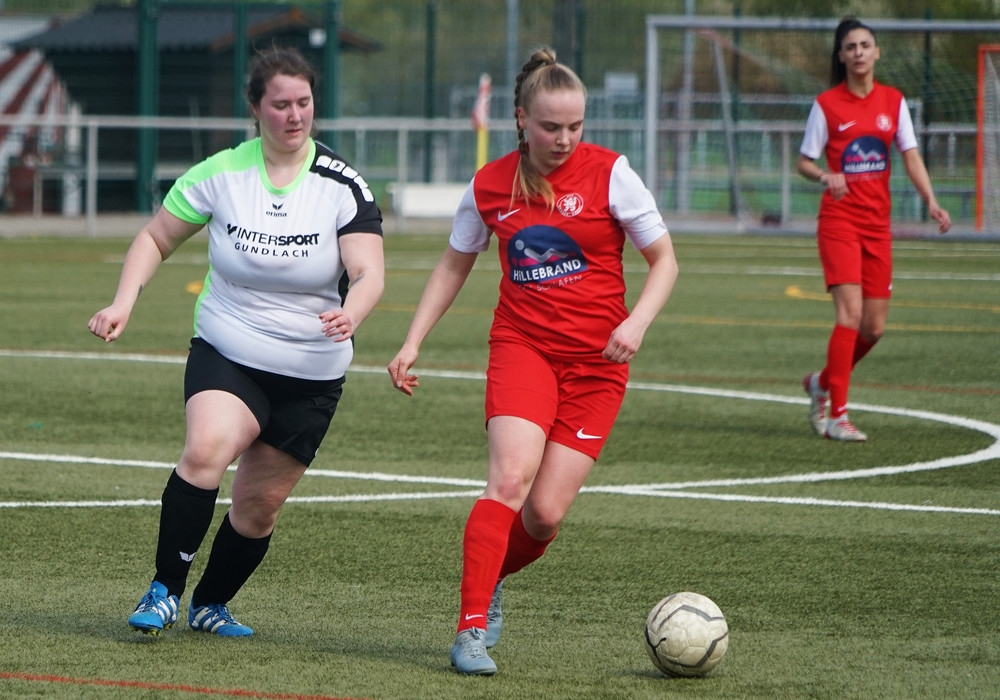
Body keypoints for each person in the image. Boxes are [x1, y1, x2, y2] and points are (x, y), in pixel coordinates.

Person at [387, 47, 678, 675]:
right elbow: (454, 265)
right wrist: (412, 341)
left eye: (575, 126)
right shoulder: (490, 184)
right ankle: (470, 631)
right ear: (522, 119)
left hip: (598, 365)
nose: (565, 139)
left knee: (543, 516)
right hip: (524, 348)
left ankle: (492, 574)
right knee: (509, 478)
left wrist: (636, 321)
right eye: (551, 127)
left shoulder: (612, 174)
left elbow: (665, 261)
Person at [87, 46, 384, 637]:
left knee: (257, 507)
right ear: (255, 108)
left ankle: (210, 604)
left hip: (312, 371)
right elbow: (155, 238)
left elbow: (369, 271)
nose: (294, 115)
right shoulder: (221, 173)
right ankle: (164, 591)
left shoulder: (341, 184)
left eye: (304, 102)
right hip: (230, 350)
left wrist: (351, 312)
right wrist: (123, 302)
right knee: (206, 450)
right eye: (281, 104)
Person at [796, 17, 950, 442]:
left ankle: (820, 384)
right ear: (841, 56)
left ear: (876, 52)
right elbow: (804, 162)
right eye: (851, 47)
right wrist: (825, 175)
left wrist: (931, 200)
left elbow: (911, 156)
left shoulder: (893, 102)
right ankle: (837, 417)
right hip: (839, 222)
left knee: (873, 328)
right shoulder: (827, 104)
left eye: (865, 45)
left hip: (878, 226)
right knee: (849, 315)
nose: (859, 52)